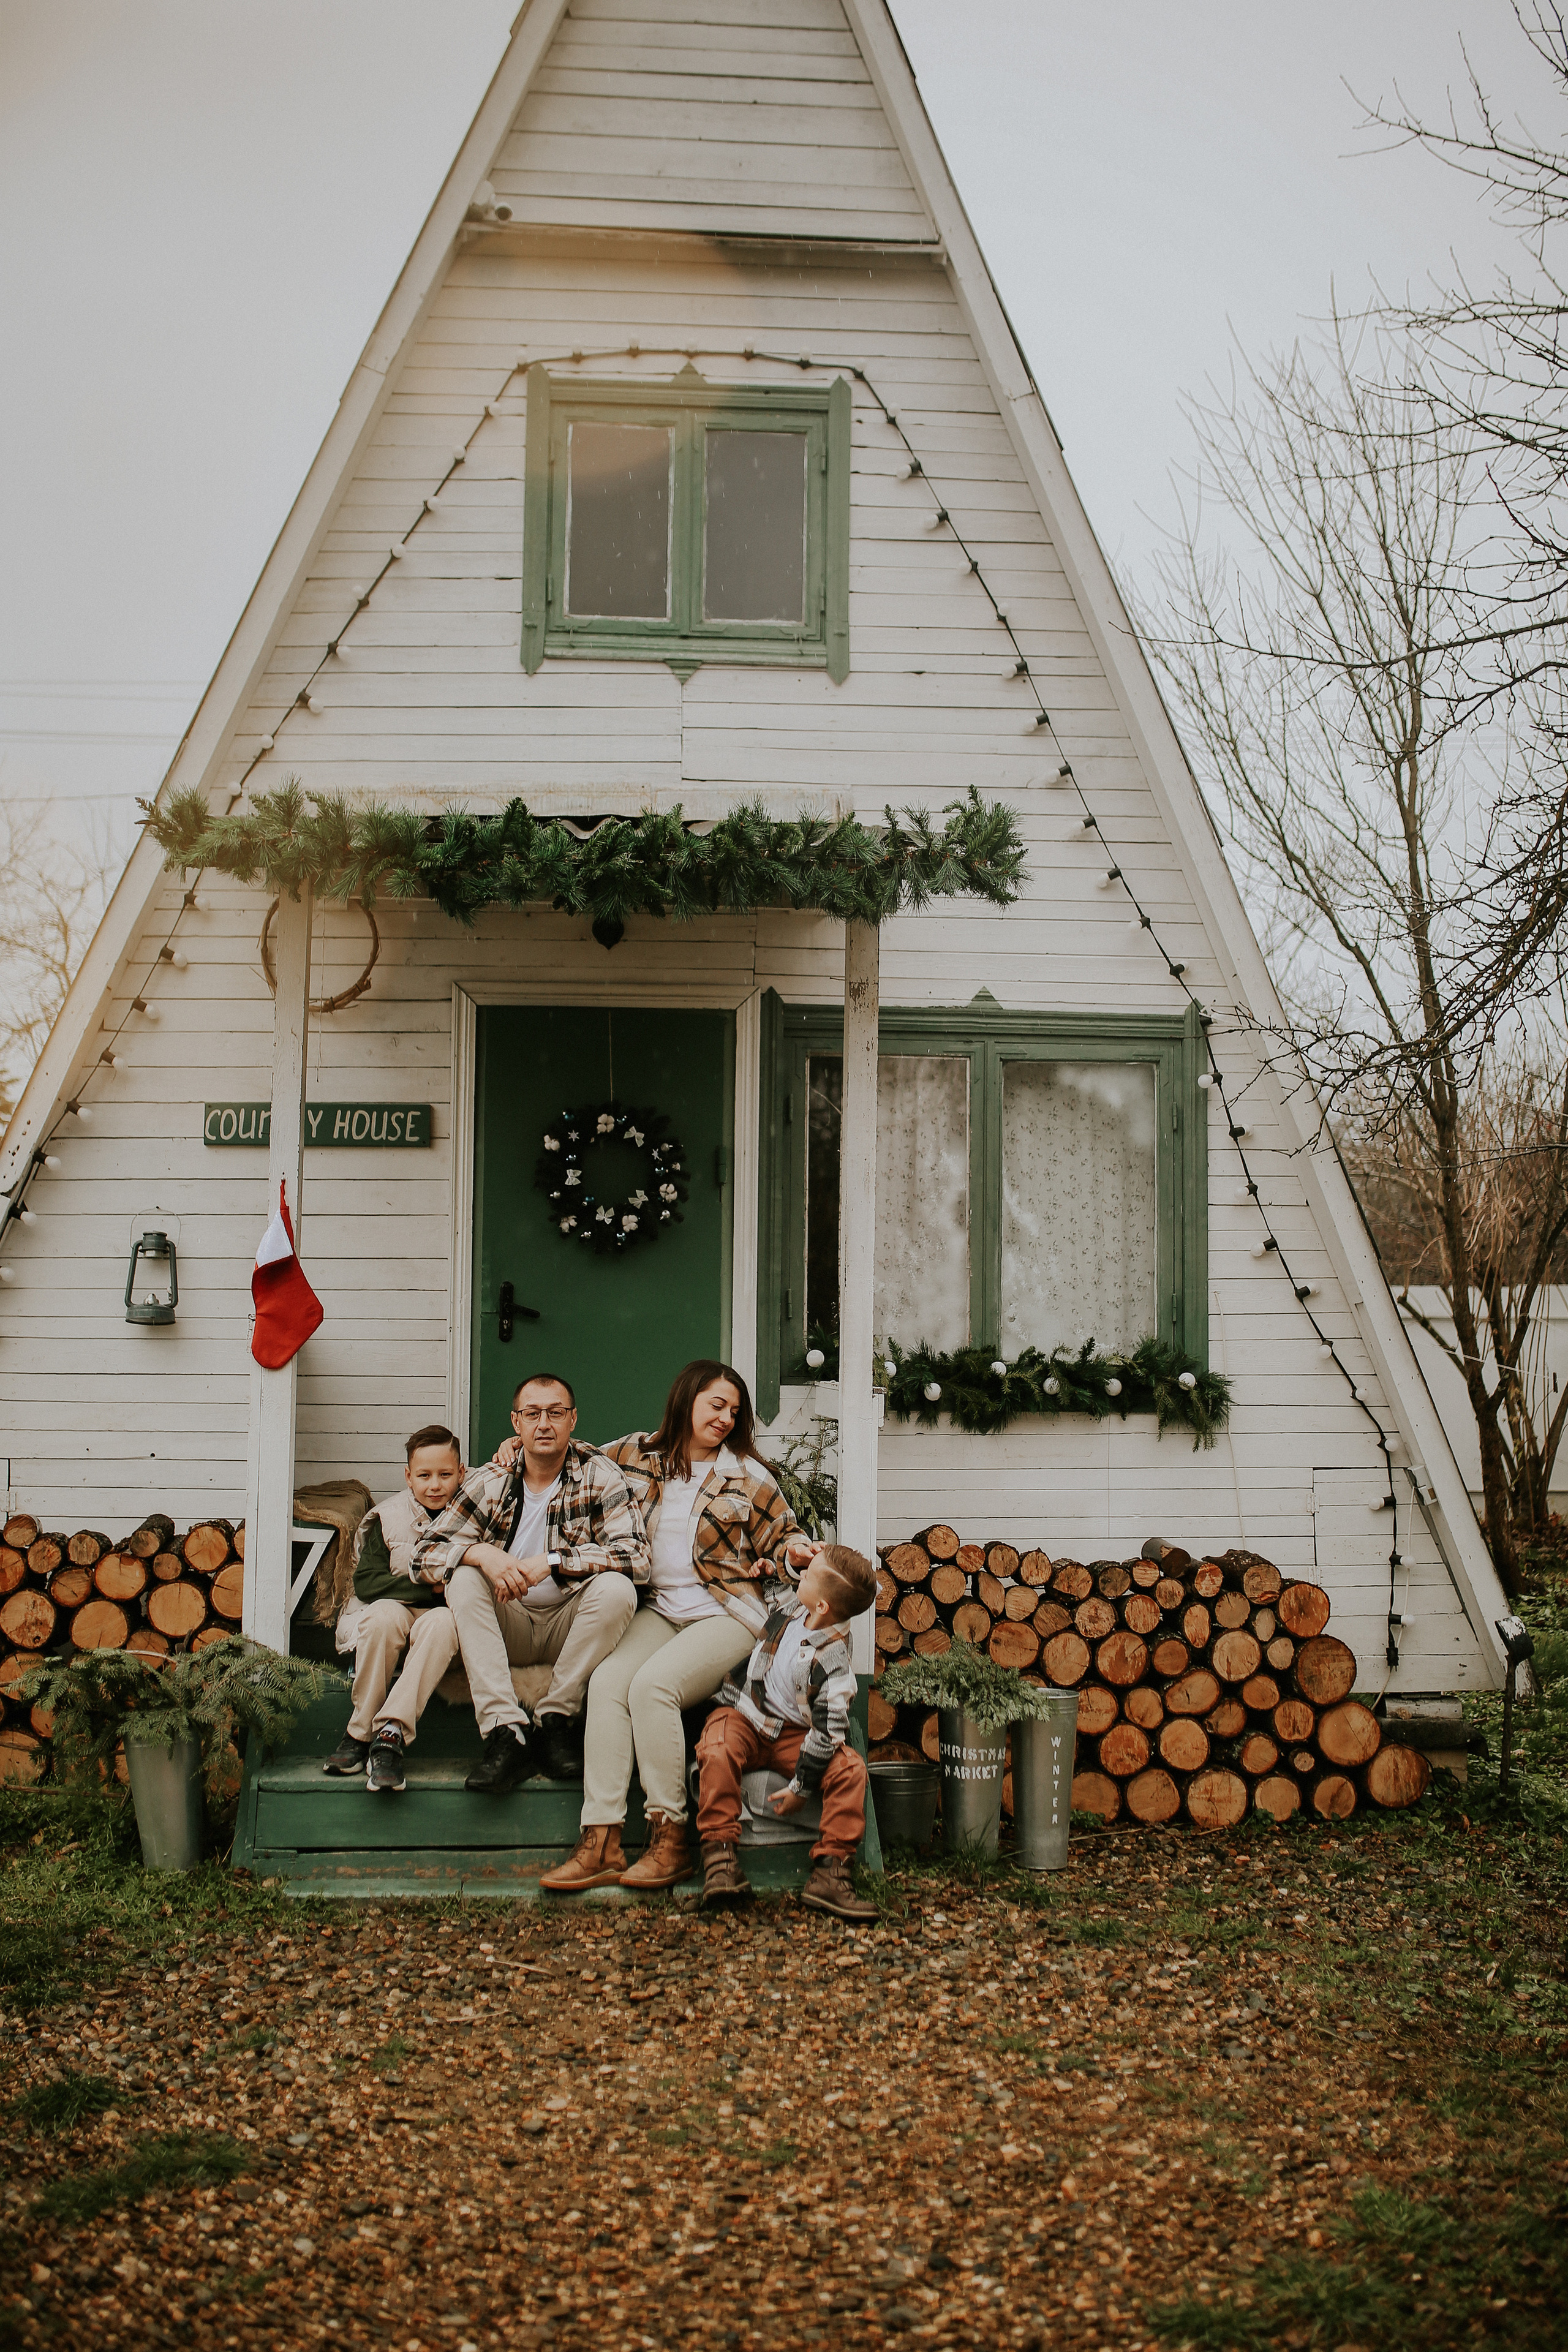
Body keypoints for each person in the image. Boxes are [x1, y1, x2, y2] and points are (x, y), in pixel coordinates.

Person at [533, 1360, 821, 1895]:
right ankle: (601, 1838)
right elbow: (569, 1457)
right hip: (660, 1609)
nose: (726, 1418)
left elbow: (784, 1538)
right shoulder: (635, 1455)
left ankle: (670, 1837)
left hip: (728, 1613)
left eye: (734, 1412)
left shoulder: (748, 1476)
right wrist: (513, 1449)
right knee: (608, 1684)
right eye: (716, 1405)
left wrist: (796, 1552)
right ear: (686, 1399)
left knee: (653, 1687)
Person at [410, 1373, 647, 1796]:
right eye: (533, 1414)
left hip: (570, 1627)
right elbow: (422, 1555)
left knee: (618, 1589)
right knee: (464, 1575)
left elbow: (637, 1557)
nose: (544, 1424)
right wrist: (482, 1553)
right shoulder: (490, 1481)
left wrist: (554, 1562)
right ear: (515, 1423)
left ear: (573, 1420)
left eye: (556, 1413)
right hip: (509, 1625)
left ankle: (555, 1721)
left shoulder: (600, 1475)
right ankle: (506, 1733)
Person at [695, 1544, 879, 1922]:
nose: (803, 1574)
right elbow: (784, 1580)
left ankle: (832, 1871)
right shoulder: (799, 1608)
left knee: (850, 1769)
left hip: (796, 1733)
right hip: (749, 1714)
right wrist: (779, 1564)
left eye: (810, 1574)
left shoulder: (833, 1660)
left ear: (823, 1607)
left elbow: (828, 1732)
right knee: (716, 1744)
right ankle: (719, 1855)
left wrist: (802, 1786)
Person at [322, 1423, 466, 1790]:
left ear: (462, 1473)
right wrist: (430, 1590)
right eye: (424, 1475)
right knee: (381, 1618)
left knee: (443, 1625)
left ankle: (390, 1737)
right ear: (408, 1476)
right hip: (400, 1607)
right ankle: (360, 1731)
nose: (435, 1485)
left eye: (445, 1474)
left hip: (444, 1614)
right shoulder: (388, 1517)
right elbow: (368, 1583)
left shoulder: (476, 1513)